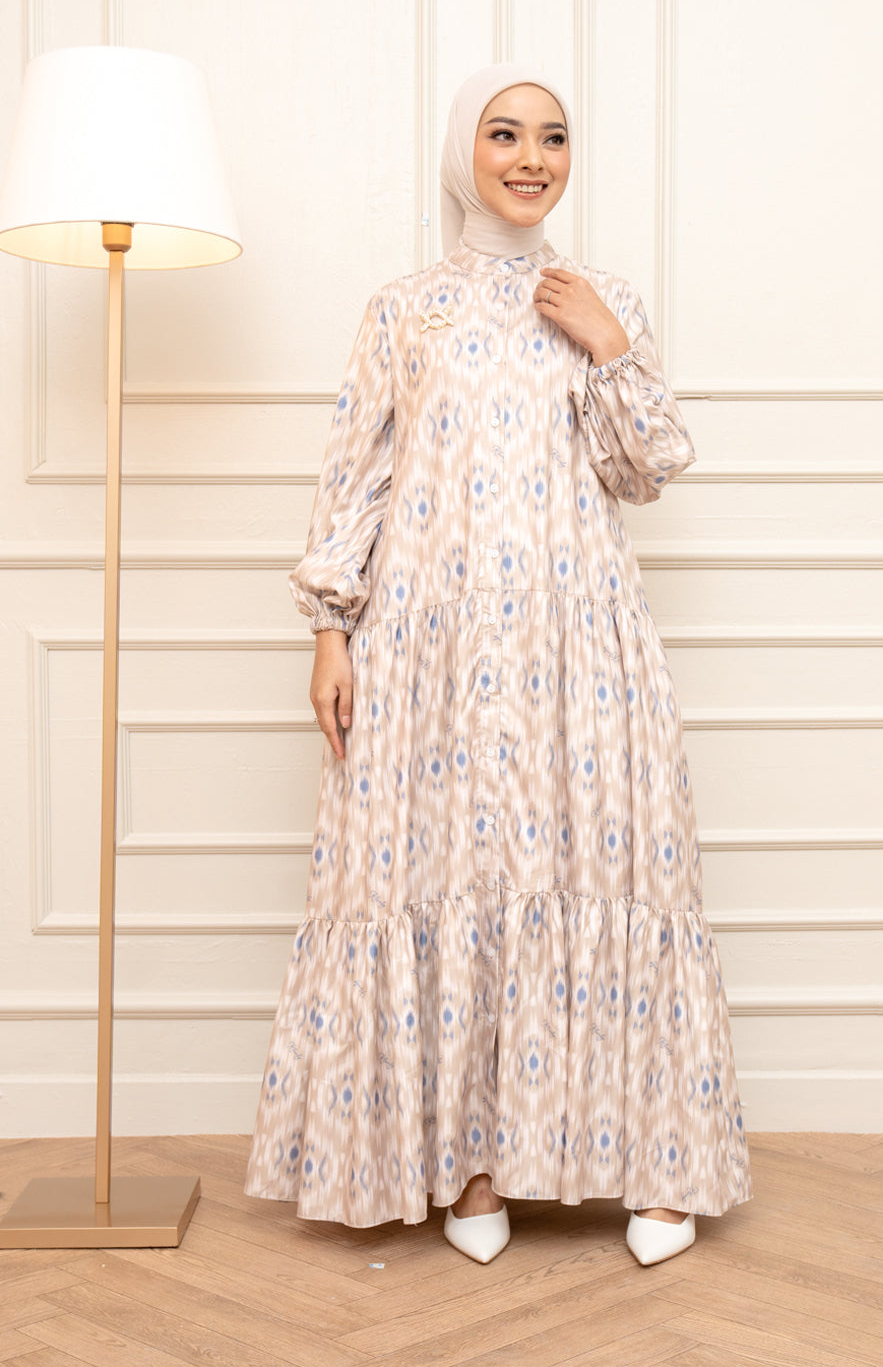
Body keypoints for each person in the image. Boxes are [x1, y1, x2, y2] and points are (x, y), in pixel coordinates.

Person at [245, 63, 752, 1266]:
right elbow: (356, 475)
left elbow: (644, 470)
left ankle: (659, 1164)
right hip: (432, 651)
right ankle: (474, 1163)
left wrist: (610, 346)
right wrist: (329, 631)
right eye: (505, 134)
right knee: (454, 875)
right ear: (462, 153)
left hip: (580, 646)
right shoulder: (403, 310)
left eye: (553, 138)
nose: (531, 158)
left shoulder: (603, 298)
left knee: (611, 870)